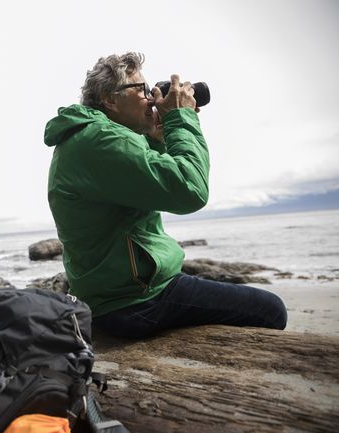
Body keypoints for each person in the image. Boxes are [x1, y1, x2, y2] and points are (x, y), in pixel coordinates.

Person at [44, 52, 287, 339]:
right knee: (272, 310)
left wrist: (156, 139)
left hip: (117, 293)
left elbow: (147, 191)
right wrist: (180, 118)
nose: (152, 98)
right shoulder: (101, 140)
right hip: (132, 301)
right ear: (109, 98)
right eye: (142, 90)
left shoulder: (89, 138)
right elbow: (189, 189)